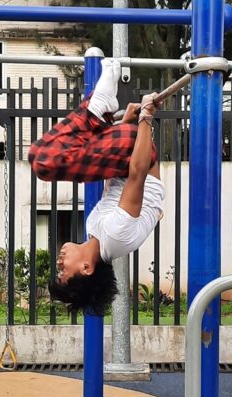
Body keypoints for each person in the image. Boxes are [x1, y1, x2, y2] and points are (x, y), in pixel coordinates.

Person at [27, 58, 164, 316]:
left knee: (41, 157)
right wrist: (146, 118)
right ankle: (98, 108)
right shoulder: (115, 236)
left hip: (126, 157)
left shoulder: (95, 229)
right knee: (44, 162)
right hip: (137, 156)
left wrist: (124, 123)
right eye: (63, 270)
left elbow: (112, 183)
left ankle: (100, 111)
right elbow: (137, 174)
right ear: (87, 268)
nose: (59, 262)